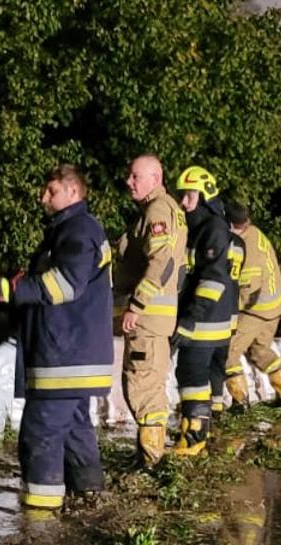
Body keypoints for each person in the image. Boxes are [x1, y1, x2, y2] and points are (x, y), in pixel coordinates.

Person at [0, 164, 112, 512]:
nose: (43, 198)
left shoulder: (79, 230)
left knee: (41, 433)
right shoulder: (68, 231)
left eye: (50, 191)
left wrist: (9, 290)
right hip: (70, 355)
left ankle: (40, 523)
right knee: (74, 429)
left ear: (73, 192)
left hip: (65, 356)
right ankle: (88, 496)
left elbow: (65, 284)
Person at [118, 155, 187, 467]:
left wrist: (136, 305)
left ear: (155, 178)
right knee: (147, 383)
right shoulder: (166, 209)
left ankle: (153, 462)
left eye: (136, 177)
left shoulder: (158, 210)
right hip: (156, 318)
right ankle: (148, 457)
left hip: (148, 318)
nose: (129, 182)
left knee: (142, 384)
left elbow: (161, 261)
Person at [171, 166, 235, 456]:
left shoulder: (213, 230)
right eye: (182, 196)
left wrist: (189, 319)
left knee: (193, 375)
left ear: (205, 196)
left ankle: (195, 437)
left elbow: (213, 280)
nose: (184, 203)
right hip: (206, 320)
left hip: (205, 322)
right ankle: (191, 431)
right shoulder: (201, 229)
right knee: (192, 373)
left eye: (189, 196)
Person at [223, 202, 281, 406]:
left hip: (256, 309)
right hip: (274, 307)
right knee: (260, 350)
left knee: (228, 351)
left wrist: (231, 312)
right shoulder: (255, 234)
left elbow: (248, 288)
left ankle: (239, 399)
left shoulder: (246, 245)